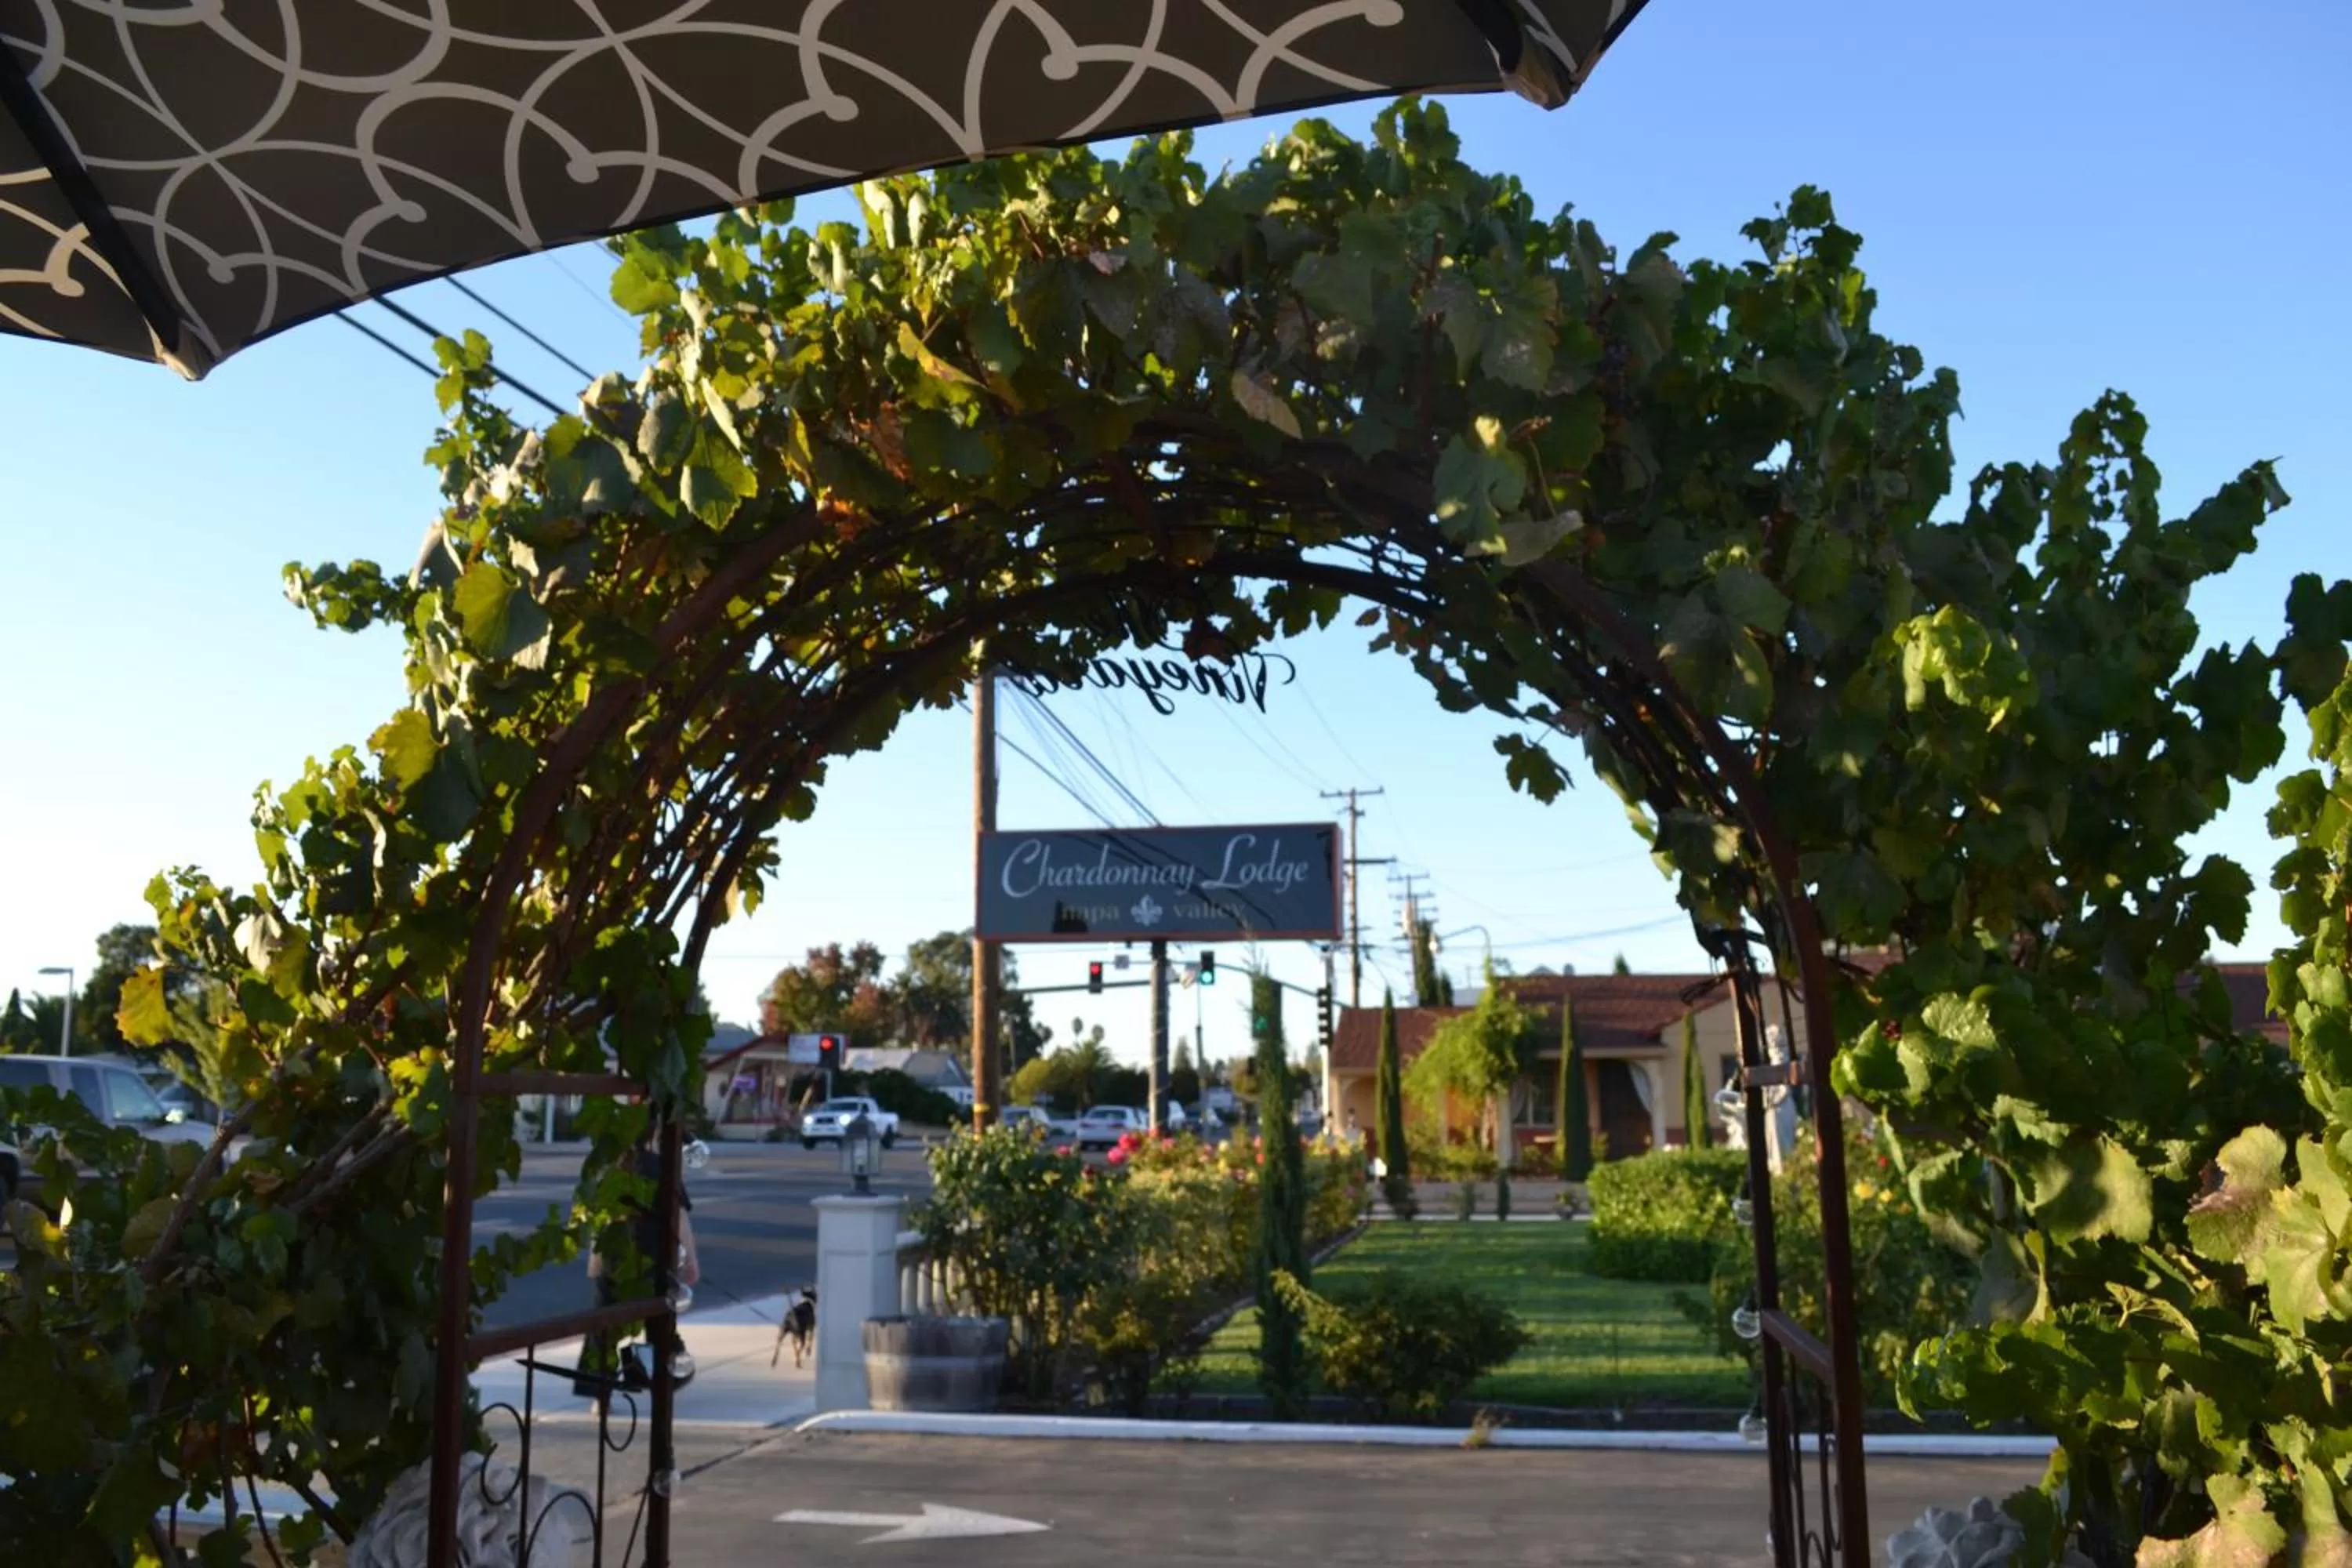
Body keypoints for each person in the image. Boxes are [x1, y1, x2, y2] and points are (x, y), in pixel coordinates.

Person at [574, 1128, 699, 1399]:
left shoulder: (607, 1170)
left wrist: (595, 1261)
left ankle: (598, 1393)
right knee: (660, 1322)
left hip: (610, 1258)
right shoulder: (661, 1169)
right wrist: (690, 1260)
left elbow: (596, 1219)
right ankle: (660, 1384)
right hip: (649, 1256)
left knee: (603, 1327)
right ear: (652, 1138)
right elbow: (679, 1217)